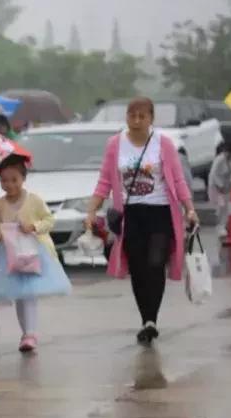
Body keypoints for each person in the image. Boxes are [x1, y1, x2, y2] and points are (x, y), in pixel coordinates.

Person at [84, 96, 199, 345]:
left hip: (160, 212)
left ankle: (151, 321)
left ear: (151, 119)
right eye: (132, 115)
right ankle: (145, 318)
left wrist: (189, 208)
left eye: (142, 116)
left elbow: (178, 181)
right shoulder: (115, 144)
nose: (136, 120)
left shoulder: (164, 144)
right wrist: (91, 210)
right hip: (130, 214)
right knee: (137, 268)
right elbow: (105, 181)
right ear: (126, 117)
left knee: (155, 263)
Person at [0, 154, 64, 353]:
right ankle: (26, 333)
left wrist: (34, 226)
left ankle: (30, 334)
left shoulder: (34, 200)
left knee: (29, 294)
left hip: (34, 252)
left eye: (14, 179)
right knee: (20, 296)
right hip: (10, 254)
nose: (9, 184)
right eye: (4, 180)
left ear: (23, 179)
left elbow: (49, 220)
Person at [208, 140, 231, 238]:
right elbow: (213, 174)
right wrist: (220, 186)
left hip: (226, 188)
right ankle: (220, 227)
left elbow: (230, 175)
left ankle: (223, 226)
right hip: (216, 187)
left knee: (225, 208)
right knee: (221, 207)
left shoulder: (230, 160)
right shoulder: (220, 159)